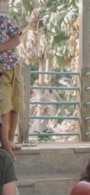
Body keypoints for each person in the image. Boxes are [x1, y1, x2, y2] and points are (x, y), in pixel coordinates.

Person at [0, 1, 24, 161]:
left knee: (16, 103)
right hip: (1, 68)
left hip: (14, 65)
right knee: (4, 107)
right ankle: (5, 144)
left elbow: (17, 40)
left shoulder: (6, 20)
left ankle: (11, 138)